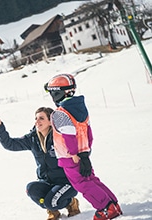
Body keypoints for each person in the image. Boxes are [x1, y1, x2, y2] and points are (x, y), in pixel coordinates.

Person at [44, 73, 123, 220]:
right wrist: (85, 152)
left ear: (60, 93)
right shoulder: (79, 107)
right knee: (91, 179)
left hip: (70, 156)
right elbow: (88, 132)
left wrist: (74, 153)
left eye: (53, 93)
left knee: (82, 184)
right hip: (83, 153)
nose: (52, 97)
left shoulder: (60, 113)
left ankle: (105, 208)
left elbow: (68, 135)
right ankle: (113, 204)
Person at [0, 108, 80, 220]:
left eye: (41, 118)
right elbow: (10, 144)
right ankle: (53, 209)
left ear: (50, 121)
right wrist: (0, 127)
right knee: (31, 189)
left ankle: (71, 202)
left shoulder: (59, 137)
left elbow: (77, 149)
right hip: (46, 182)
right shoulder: (32, 138)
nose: (37, 121)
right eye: (36, 118)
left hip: (66, 182)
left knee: (51, 202)